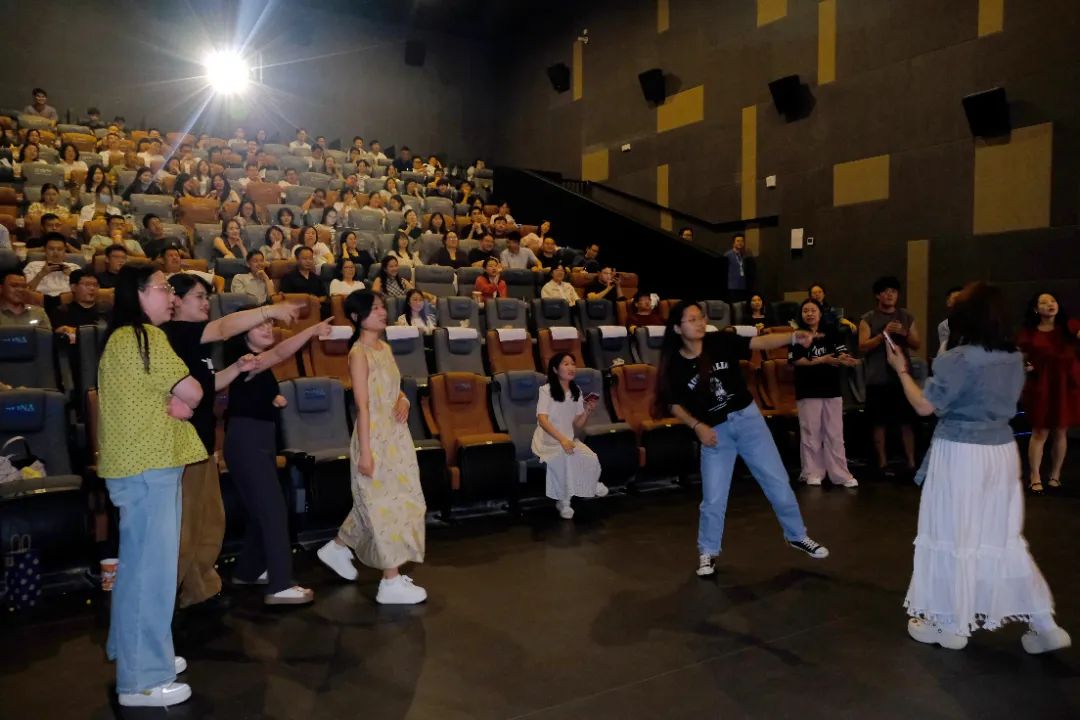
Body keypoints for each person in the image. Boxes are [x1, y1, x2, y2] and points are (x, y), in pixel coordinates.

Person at [886, 282, 1071, 655]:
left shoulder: (957, 358)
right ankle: (1044, 624)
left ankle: (951, 624)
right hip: (1001, 452)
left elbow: (924, 406)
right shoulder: (1013, 357)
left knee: (953, 534)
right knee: (1002, 538)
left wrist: (902, 371)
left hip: (960, 452)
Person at [98, 264, 206, 708]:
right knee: (151, 574)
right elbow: (194, 392)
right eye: (163, 288)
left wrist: (175, 401)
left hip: (135, 467)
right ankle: (142, 680)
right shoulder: (145, 337)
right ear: (138, 294)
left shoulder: (120, 340)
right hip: (150, 466)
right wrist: (182, 400)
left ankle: (134, 652)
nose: (172, 297)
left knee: (136, 570)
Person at [658, 301, 830, 577]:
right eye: (692, 319)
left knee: (778, 483)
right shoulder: (675, 364)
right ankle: (708, 551)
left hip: (748, 421)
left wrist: (792, 337)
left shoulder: (719, 341)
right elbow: (672, 403)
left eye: (701, 317)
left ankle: (797, 535)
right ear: (678, 328)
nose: (700, 323)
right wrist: (697, 426)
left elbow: (759, 343)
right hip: (715, 433)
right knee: (713, 498)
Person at [164, 274, 303, 609]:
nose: (205, 303)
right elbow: (227, 328)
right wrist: (271, 309)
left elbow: (209, 386)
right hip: (182, 445)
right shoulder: (177, 332)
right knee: (186, 529)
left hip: (202, 442)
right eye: (199, 296)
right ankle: (166, 603)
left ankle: (202, 588)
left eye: (206, 297)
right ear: (176, 300)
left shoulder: (199, 345)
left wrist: (237, 369)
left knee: (208, 524)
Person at [317, 291, 428, 604]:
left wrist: (404, 399)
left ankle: (337, 547)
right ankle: (389, 582)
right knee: (383, 506)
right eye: (374, 308)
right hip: (374, 435)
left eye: (382, 307)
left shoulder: (385, 348)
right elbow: (362, 406)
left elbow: (394, 387)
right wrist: (365, 452)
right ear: (357, 317)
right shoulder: (358, 353)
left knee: (398, 499)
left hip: (397, 435)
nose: (382, 312)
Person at [225, 315, 332, 605]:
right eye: (259, 324)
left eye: (268, 324)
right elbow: (282, 352)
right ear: (243, 333)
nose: (267, 328)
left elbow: (258, 394)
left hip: (258, 440)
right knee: (273, 511)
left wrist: (273, 399)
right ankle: (280, 584)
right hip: (248, 441)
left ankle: (248, 570)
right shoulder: (244, 359)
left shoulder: (258, 364)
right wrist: (311, 330)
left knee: (262, 510)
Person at [789, 298, 859, 487]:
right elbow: (796, 360)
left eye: (813, 310)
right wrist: (821, 360)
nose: (809, 314)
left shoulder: (832, 333)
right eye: (805, 311)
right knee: (811, 433)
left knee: (835, 434)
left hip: (832, 389)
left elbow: (840, 352)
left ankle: (840, 474)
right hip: (808, 390)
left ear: (820, 313)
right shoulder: (797, 335)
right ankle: (812, 472)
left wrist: (845, 359)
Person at [858, 276, 921, 479]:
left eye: (893, 291)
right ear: (878, 295)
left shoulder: (906, 316)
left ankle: (911, 463)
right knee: (879, 422)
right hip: (877, 377)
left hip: (902, 377)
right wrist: (883, 334)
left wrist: (904, 332)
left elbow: (917, 344)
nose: (890, 295)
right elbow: (862, 346)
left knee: (906, 422)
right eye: (885, 291)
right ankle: (882, 464)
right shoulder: (868, 318)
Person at [1017, 291, 1080, 493]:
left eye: (1052, 301)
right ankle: (1034, 476)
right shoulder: (1029, 332)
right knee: (1039, 431)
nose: (1050, 304)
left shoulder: (1070, 326)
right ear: (1036, 309)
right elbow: (1020, 358)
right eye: (1043, 302)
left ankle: (1055, 475)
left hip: (1065, 386)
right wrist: (1026, 366)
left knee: (1061, 431)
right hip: (1041, 386)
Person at [532, 353, 607, 519]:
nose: (571, 367)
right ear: (555, 369)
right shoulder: (546, 390)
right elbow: (542, 420)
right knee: (565, 459)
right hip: (547, 440)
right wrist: (562, 440)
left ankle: (590, 483)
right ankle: (564, 502)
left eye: (573, 363)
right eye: (566, 364)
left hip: (568, 439)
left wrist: (587, 410)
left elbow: (578, 424)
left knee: (590, 457)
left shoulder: (576, 391)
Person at [52, 270, 106, 336]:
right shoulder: (62, 312)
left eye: (95, 285)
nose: (92, 288)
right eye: (87, 285)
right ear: (73, 287)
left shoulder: (106, 310)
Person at [25, 234, 78, 298]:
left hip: (67, 301)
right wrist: (41, 274)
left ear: (64, 251)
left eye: (59, 249)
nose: (55, 252)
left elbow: (81, 293)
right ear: (45, 250)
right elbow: (26, 291)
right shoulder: (32, 266)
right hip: (40, 300)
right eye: (51, 249)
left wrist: (72, 276)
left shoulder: (75, 268)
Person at [722, 233, 755, 303]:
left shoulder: (743, 255)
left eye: (742, 241)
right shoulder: (728, 255)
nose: (740, 243)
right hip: (732, 287)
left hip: (742, 286)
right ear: (733, 243)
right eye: (738, 241)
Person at [936, 286, 963, 358]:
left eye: (962, 299)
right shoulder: (944, 325)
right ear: (948, 302)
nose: (959, 302)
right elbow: (944, 351)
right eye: (956, 298)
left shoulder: (975, 322)